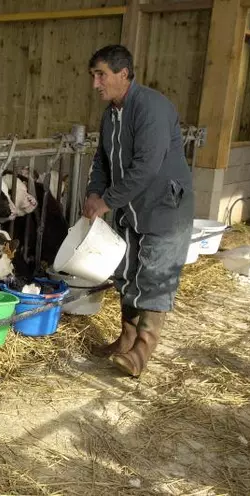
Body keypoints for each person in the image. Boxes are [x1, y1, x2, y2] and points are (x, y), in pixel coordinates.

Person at [83, 45, 193, 377]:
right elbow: (102, 161)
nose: (95, 84)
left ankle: (142, 351)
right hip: (130, 208)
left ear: (124, 74)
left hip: (163, 207)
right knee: (128, 273)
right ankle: (125, 340)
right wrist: (93, 192)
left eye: (100, 75)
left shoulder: (151, 108)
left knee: (155, 274)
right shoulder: (110, 116)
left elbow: (146, 167)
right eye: (93, 76)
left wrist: (107, 201)